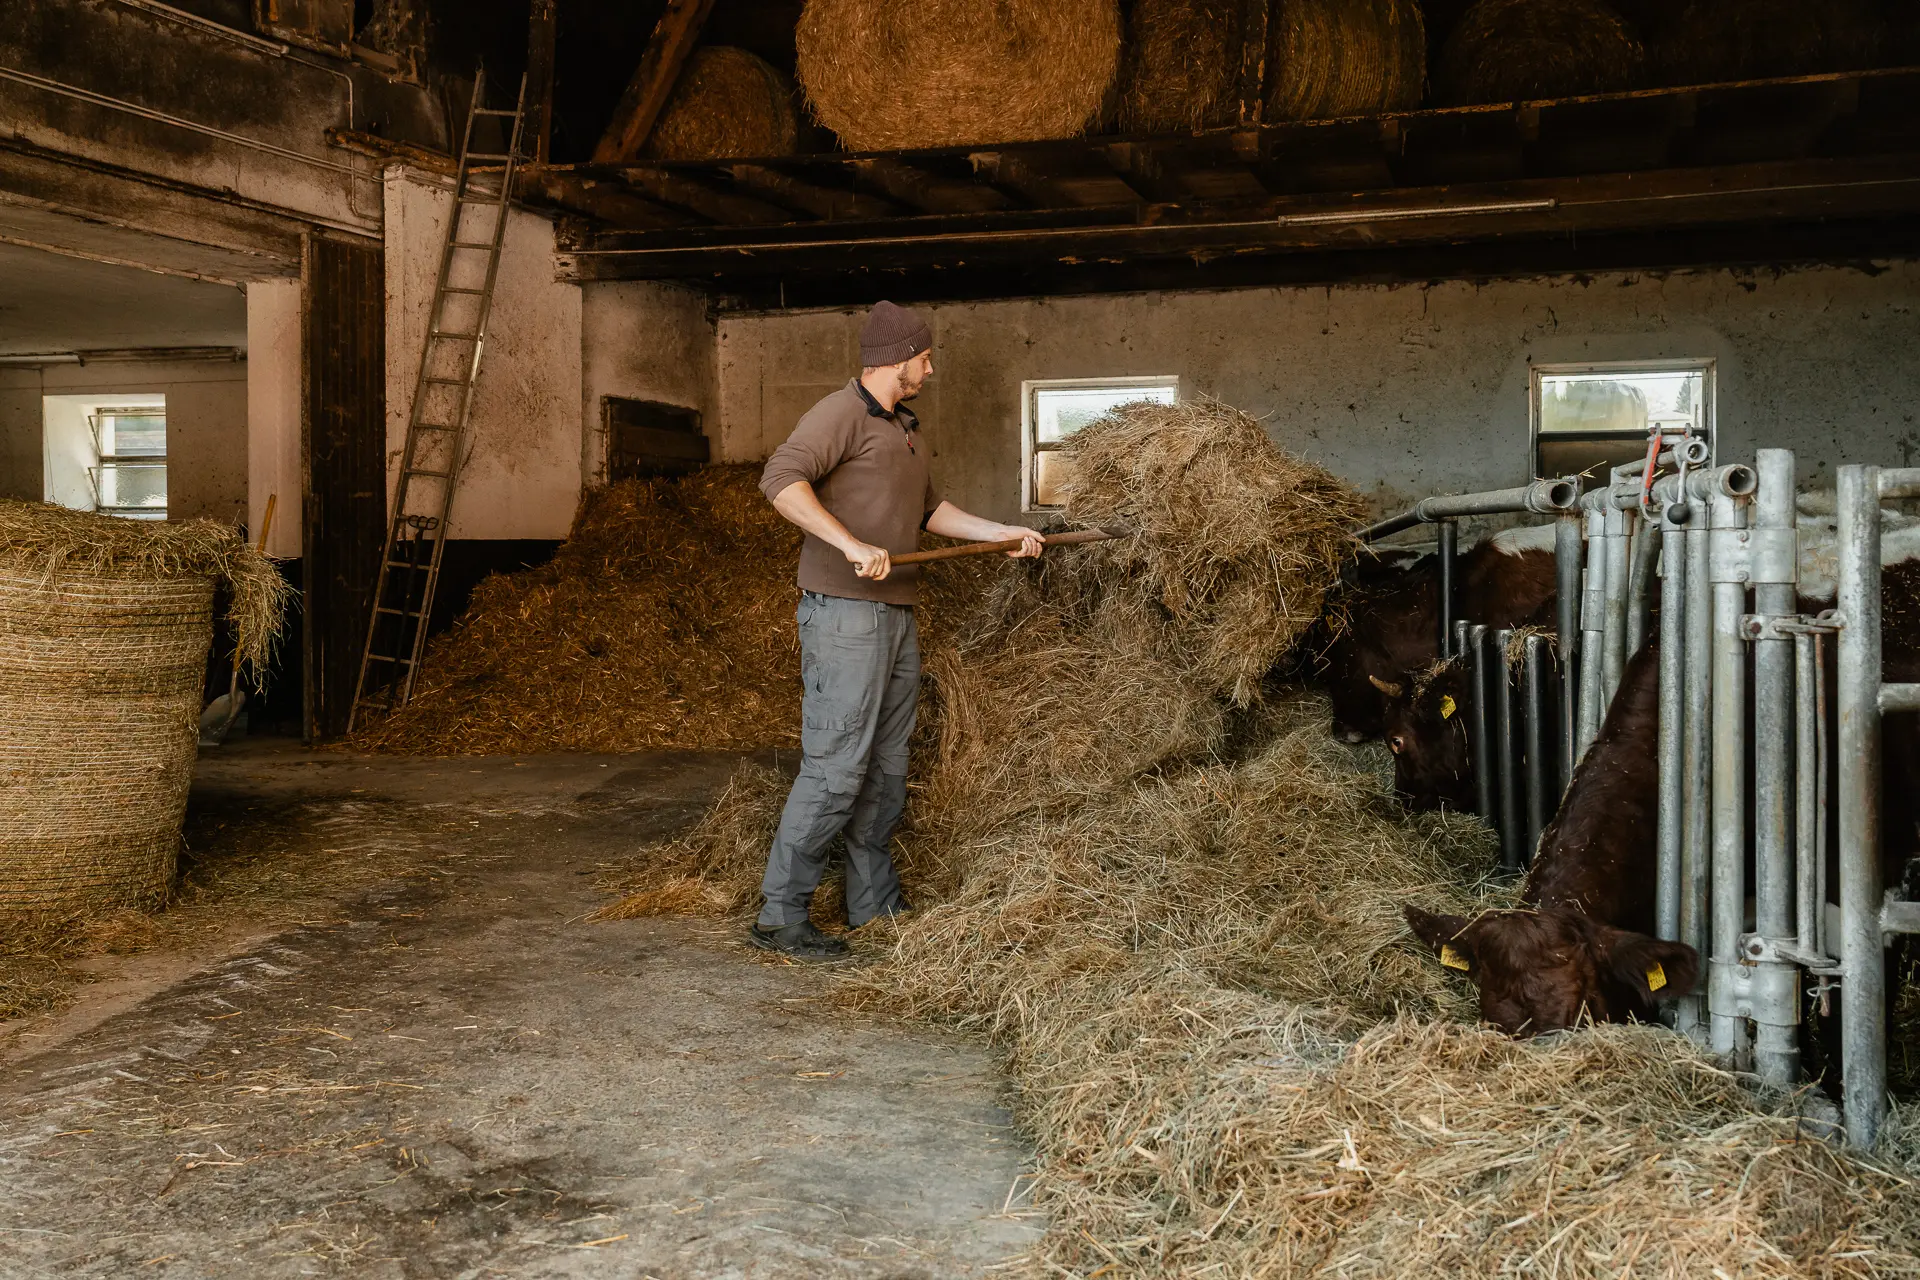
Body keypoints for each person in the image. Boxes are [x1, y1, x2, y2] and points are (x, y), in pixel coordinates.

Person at [751, 300, 1044, 960]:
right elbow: (780, 480)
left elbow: (931, 509)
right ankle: (781, 914)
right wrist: (849, 542)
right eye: (924, 357)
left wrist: (1001, 532)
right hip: (843, 615)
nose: (931, 368)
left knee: (885, 767)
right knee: (836, 768)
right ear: (897, 358)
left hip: (895, 615)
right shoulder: (840, 413)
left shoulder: (906, 426)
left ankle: (872, 903)